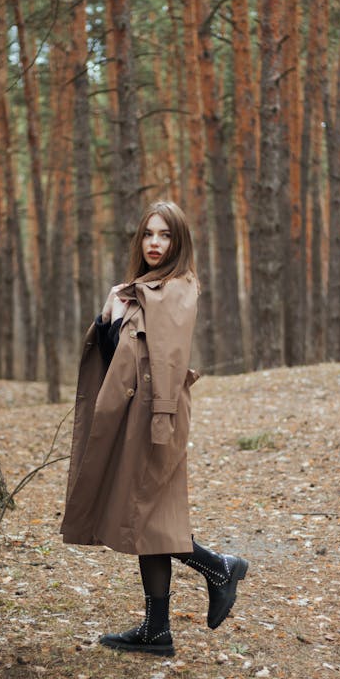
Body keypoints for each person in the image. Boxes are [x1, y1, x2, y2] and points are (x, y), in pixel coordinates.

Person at [61, 200, 248, 656]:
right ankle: (157, 629)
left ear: (178, 241)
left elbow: (166, 360)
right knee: (149, 516)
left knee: (144, 514)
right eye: (149, 234)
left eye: (165, 235)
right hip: (136, 410)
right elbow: (117, 356)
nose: (155, 243)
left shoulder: (178, 290)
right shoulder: (140, 289)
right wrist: (110, 312)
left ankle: (218, 568)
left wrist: (161, 421)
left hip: (156, 413)